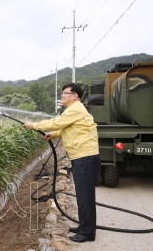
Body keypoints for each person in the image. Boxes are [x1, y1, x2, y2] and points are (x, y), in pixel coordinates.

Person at [23, 83, 101, 243]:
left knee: (85, 196)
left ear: (75, 96)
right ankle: (85, 226)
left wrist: (34, 126)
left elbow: (57, 122)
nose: (62, 96)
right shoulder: (75, 110)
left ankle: (87, 233)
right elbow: (65, 128)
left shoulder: (75, 109)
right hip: (83, 156)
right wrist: (52, 134)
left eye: (65, 93)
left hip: (84, 157)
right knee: (83, 195)